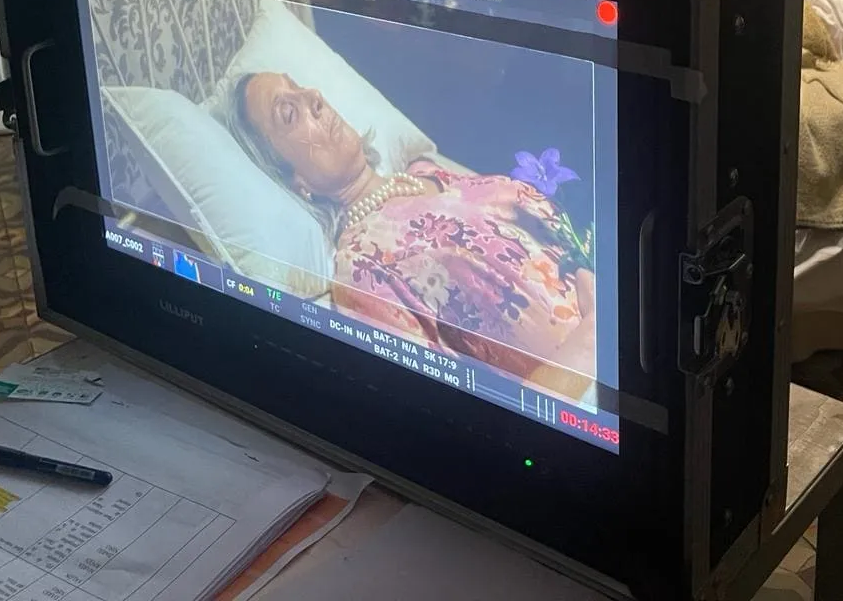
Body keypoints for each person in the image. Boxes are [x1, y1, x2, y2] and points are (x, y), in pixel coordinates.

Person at [224, 70, 596, 400]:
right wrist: (594, 334)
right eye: (289, 113)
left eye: (300, 87)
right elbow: (475, 414)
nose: (314, 96)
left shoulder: (428, 174)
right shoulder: (362, 270)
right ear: (296, 182)